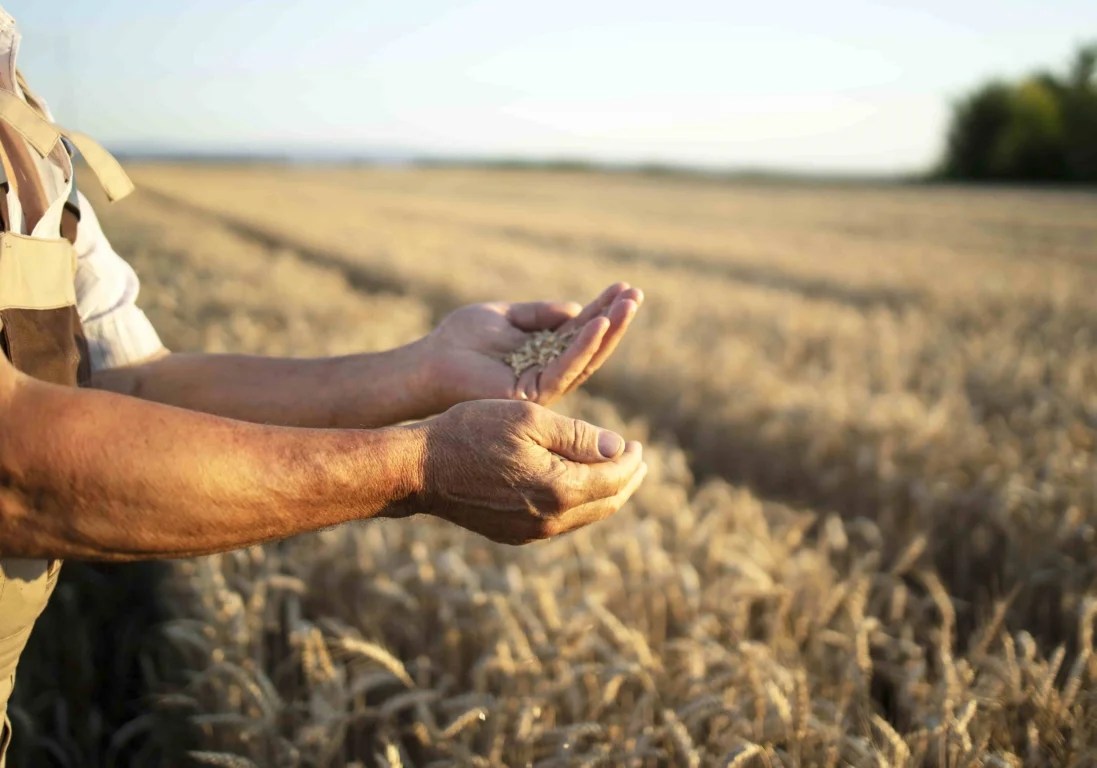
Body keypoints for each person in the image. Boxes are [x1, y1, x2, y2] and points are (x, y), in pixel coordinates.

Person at [0, 6, 646, 760]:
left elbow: (128, 384)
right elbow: (14, 465)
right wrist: (419, 468)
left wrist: (423, 368)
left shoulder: (20, 106)